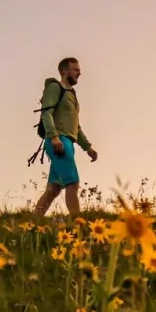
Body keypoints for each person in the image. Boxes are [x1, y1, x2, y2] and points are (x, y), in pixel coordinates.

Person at [33, 57, 99, 219]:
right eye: (75, 69)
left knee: (54, 189)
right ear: (64, 71)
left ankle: (33, 221)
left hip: (68, 142)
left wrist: (87, 147)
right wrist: (54, 137)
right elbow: (46, 113)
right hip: (59, 142)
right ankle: (79, 224)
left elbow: (76, 126)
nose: (79, 73)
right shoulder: (55, 88)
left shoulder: (72, 95)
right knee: (72, 183)